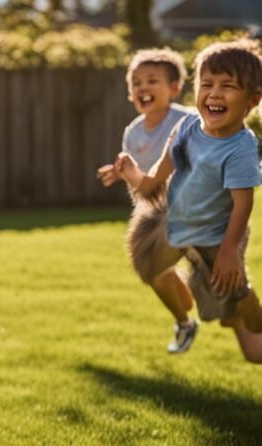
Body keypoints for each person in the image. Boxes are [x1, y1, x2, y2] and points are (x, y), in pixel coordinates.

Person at [116, 39, 262, 363]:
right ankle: (188, 316)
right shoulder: (187, 127)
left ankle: (244, 306)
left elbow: (243, 205)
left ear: (252, 100)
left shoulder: (239, 148)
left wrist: (228, 251)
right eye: (207, 84)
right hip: (178, 220)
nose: (214, 93)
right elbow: (155, 177)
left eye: (228, 86)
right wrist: (131, 175)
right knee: (148, 263)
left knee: (236, 311)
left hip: (216, 234)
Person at [97, 48, 196, 354]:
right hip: (159, 215)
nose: (143, 88)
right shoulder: (134, 133)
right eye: (136, 83)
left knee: (215, 288)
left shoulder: (189, 120)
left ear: (175, 88)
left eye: (152, 80)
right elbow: (140, 179)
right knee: (152, 270)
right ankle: (184, 323)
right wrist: (123, 172)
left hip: (197, 209)